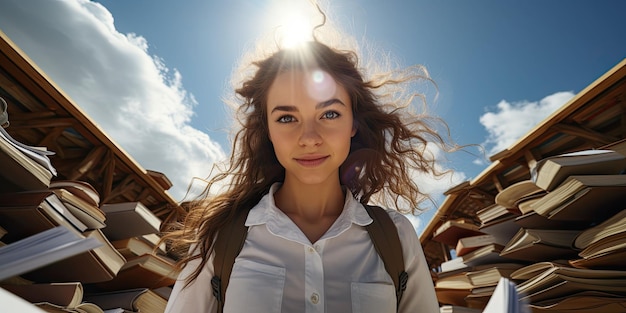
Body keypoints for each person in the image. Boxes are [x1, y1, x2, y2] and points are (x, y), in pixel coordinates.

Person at [163, 16, 452, 313]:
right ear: (268, 131)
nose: (309, 138)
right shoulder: (221, 237)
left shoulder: (397, 238)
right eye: (287, 118)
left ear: (354, 123)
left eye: (329, 114)